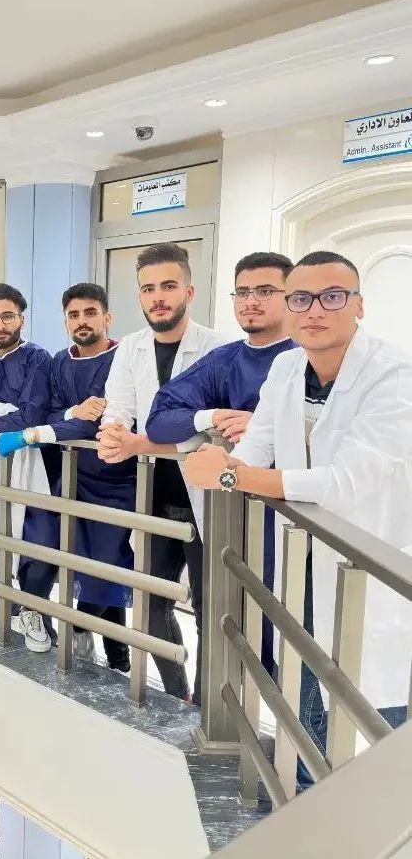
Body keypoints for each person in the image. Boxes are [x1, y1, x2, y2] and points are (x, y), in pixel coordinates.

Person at [183, 250, 412, 770]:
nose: (315, 311)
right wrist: (227, 461)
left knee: (380, 710)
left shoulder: (395, 377)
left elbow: (343, 484)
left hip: (376, 564)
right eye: (302, 299)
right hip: (304, 558)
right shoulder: (287, 366)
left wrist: (228, 474)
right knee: (307, 685)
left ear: (359, 305)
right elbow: (256, 445)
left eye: (332, 297)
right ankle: (306, 790)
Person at [146, 251, 296, 674]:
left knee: (298, 638)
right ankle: (212, 705)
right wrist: (210, 416)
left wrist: (266, 423)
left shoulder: (309, 357)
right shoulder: (226, 361)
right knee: (228, 620)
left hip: (298, 519)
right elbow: (160, 419)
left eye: (265, 290)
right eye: (242, 292)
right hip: (236, 516)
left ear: (291, 296)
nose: (252, 301)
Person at [97, 243, 223, 703]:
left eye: (168, 286)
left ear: (189, 291)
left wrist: (138, 443)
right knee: (150, 606)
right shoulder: (130, 348)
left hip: (208, 501)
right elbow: (119, 406)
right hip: (154, 497)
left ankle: (206, 703)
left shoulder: (218, 348)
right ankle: (176, 694)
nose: (158, 297)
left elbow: (209, 430)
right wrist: (113, 432)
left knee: (211, 609)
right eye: (148, 288)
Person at [0, 283, 135, 671]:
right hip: (64, 477)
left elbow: (106, 421)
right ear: (65, 322)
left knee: (105, 565)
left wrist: (44, 431)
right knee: (50, 553)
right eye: (74, 315)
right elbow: (51, 412)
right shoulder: (59, 362)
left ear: (107, 317)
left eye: (90, 313)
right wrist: (73, 413)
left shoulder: (124, 358)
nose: (82, 321)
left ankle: (96, 642)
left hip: (115, 480)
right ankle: (73, 635)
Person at [0, 283, 55, 652]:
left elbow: (32, 412)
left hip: (34, 466)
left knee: (37, 546)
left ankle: (36, 618)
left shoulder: (38, 358)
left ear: (21, 319)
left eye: (7, 316)